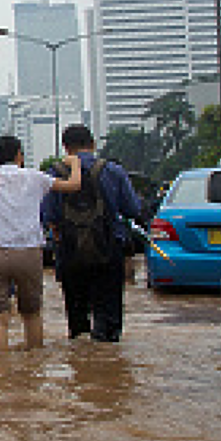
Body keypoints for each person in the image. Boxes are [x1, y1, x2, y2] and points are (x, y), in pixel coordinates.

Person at [0, 135, 83, 351]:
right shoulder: (36, 178)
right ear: (19, 154)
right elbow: (74, 185)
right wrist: (75, 162)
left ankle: (0, 374)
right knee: (31, 314)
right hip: (29, 252)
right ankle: (34, 367)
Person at [42, 124, 140, 342]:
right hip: (109, 250)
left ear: (65, 147)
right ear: (93, 144)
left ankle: (81, 366)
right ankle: (106, 362)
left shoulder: (55, 174)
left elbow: (47, 215)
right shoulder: (113, 171)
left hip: (70, 252)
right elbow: (133, 209)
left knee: (77, 324)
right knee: (109, 316)